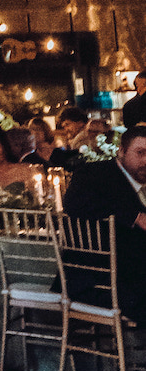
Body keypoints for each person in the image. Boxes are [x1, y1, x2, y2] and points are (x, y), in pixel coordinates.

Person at [62, 123, 146, 322]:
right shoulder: (93, 174)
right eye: (140, 152)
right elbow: (74, 204)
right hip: (101, 280)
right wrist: (135, 216)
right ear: (121, 151)